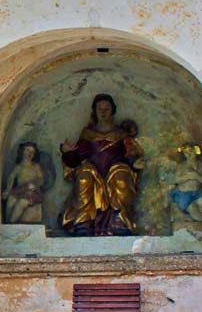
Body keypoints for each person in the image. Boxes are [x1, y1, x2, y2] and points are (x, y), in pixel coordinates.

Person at [60, 94, 143, 236]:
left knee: (121, 178)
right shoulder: (87, 134)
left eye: (107, 108)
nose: (103, 112)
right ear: (95, 111)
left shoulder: (121, 134)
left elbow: (130, 154)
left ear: (113, 111)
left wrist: (134, 164)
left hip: (115, 169)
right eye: (100, 109)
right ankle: (83, 220)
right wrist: (66, 152)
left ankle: (120, 219)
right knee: (84, 176)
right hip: (92, 169)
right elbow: (76, 159)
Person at [4, 142, 46, 224]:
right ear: (22, 152)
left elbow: (41, 179)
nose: (29, 153)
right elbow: (11, 179)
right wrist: (7, 190)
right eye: (27, 150)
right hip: (20, 190)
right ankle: (6, 223)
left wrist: (35, 184)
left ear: (34, 154)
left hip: (32, 192)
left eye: (32, 151)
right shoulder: (18, 167)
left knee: (22, 202)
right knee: (10, 201)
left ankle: (11, 222)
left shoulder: (36, 166)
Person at [168, 144, 202, 221]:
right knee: (192, 208)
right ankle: (200, 223)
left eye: (190, 151)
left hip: (197, 193)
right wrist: (188, 176)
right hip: (184, 193)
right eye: (186, 152)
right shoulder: (181, 166)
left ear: (195, 152)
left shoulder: (200, 165)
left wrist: (196, 175)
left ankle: (192, 217)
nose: (188, 154)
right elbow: (176, 180)